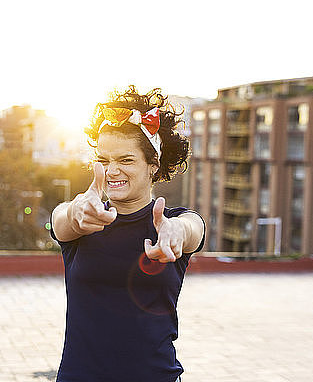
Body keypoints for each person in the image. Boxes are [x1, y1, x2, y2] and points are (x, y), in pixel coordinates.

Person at [50, 85, 205, 382]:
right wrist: (74, 212)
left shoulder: (172, 222)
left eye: (126, 160)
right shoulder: (84, 216)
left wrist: (175, 234)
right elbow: (61, 220)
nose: (112, 171)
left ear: (153, 166)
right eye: (104, 160)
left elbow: (193, 229)